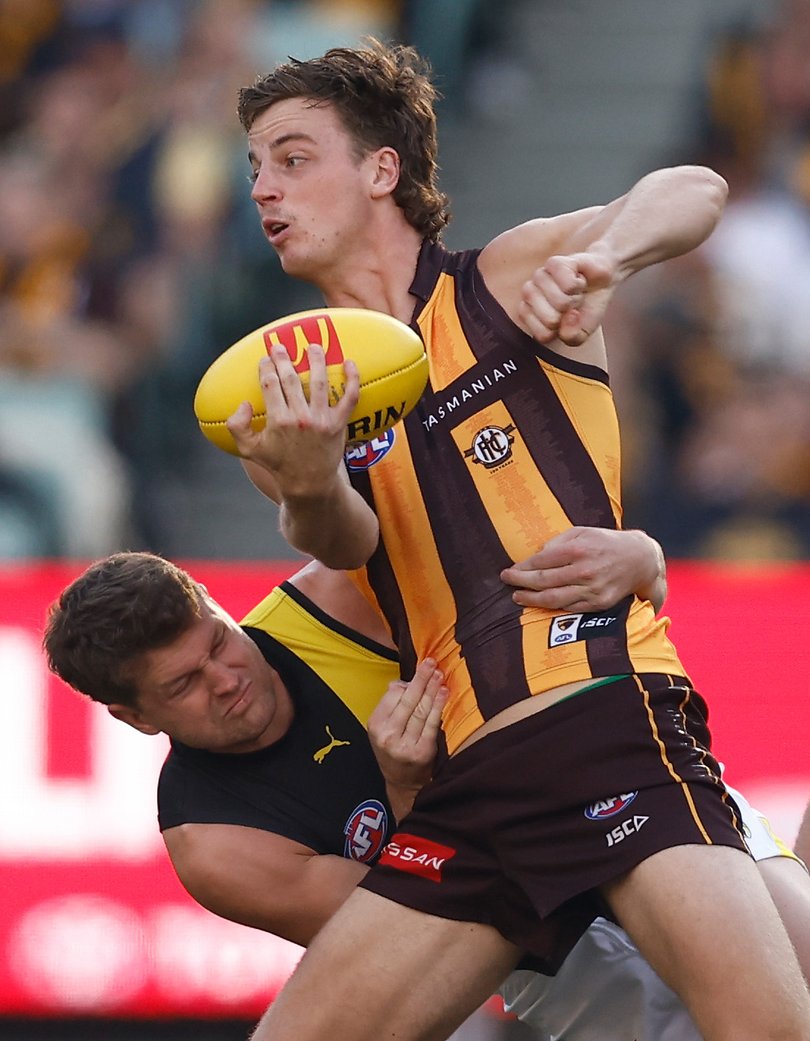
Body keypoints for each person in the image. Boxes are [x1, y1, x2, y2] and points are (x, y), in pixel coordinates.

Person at [223, 39, 810, 1041]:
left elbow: (693, 185)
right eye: (254, 170)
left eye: (291, 157)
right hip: (465, 786)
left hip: (598, 726)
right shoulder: (290, 396)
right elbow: (340, 533)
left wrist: (606, 256)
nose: (265, 190)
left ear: (381, 169)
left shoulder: (507, 280)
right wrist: (308, 473)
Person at [42, 547, 810, 1041]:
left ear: (214, 601)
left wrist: (637, 553)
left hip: (634, 809)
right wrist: (412, 792)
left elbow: (530, 545)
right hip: (567, 959)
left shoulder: (337, 602)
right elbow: (432, 937)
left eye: (217, 640)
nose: (228, 678)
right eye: (185, 684)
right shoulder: (217, 842)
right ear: (134, 717)